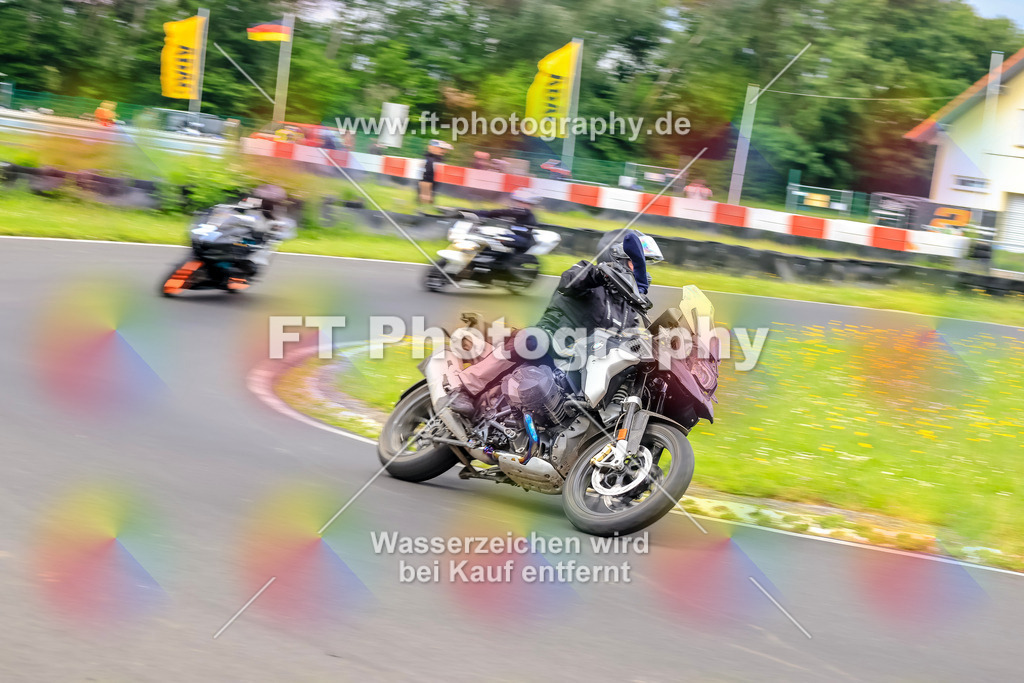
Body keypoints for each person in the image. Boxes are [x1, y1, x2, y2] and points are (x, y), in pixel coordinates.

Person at [447, 231, 662, 415]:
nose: (643, 271)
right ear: (617, 258)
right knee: (532, 340)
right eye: (637, 262)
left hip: (582, 367)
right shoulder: (588, 274)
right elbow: (571, 281)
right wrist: (600, 275)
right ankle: (463, 387)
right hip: (552, 347)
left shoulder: (628, 310)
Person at [419, 139, 452, 205]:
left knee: (430, 197)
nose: (444, 151)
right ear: (433, 148)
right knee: (426, 198)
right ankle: (424, 202)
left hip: (433, 182)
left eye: (444, 149)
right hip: (427, 180)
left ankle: (426, 202)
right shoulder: (430, 159)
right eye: (441, 148)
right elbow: (426, 177)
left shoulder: (439, 159)